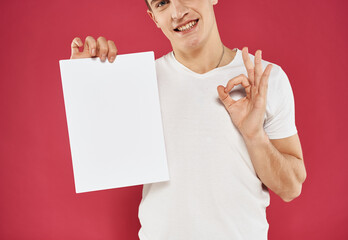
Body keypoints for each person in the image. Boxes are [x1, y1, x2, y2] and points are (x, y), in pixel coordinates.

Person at [70, 0, 307, 239]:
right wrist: (86, 85)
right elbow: (100, 158)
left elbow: (290, 188)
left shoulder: (265, 80)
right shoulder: (141, 85)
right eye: (162, 3)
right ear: (154, 18)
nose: (178, 12)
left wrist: (255, 136)